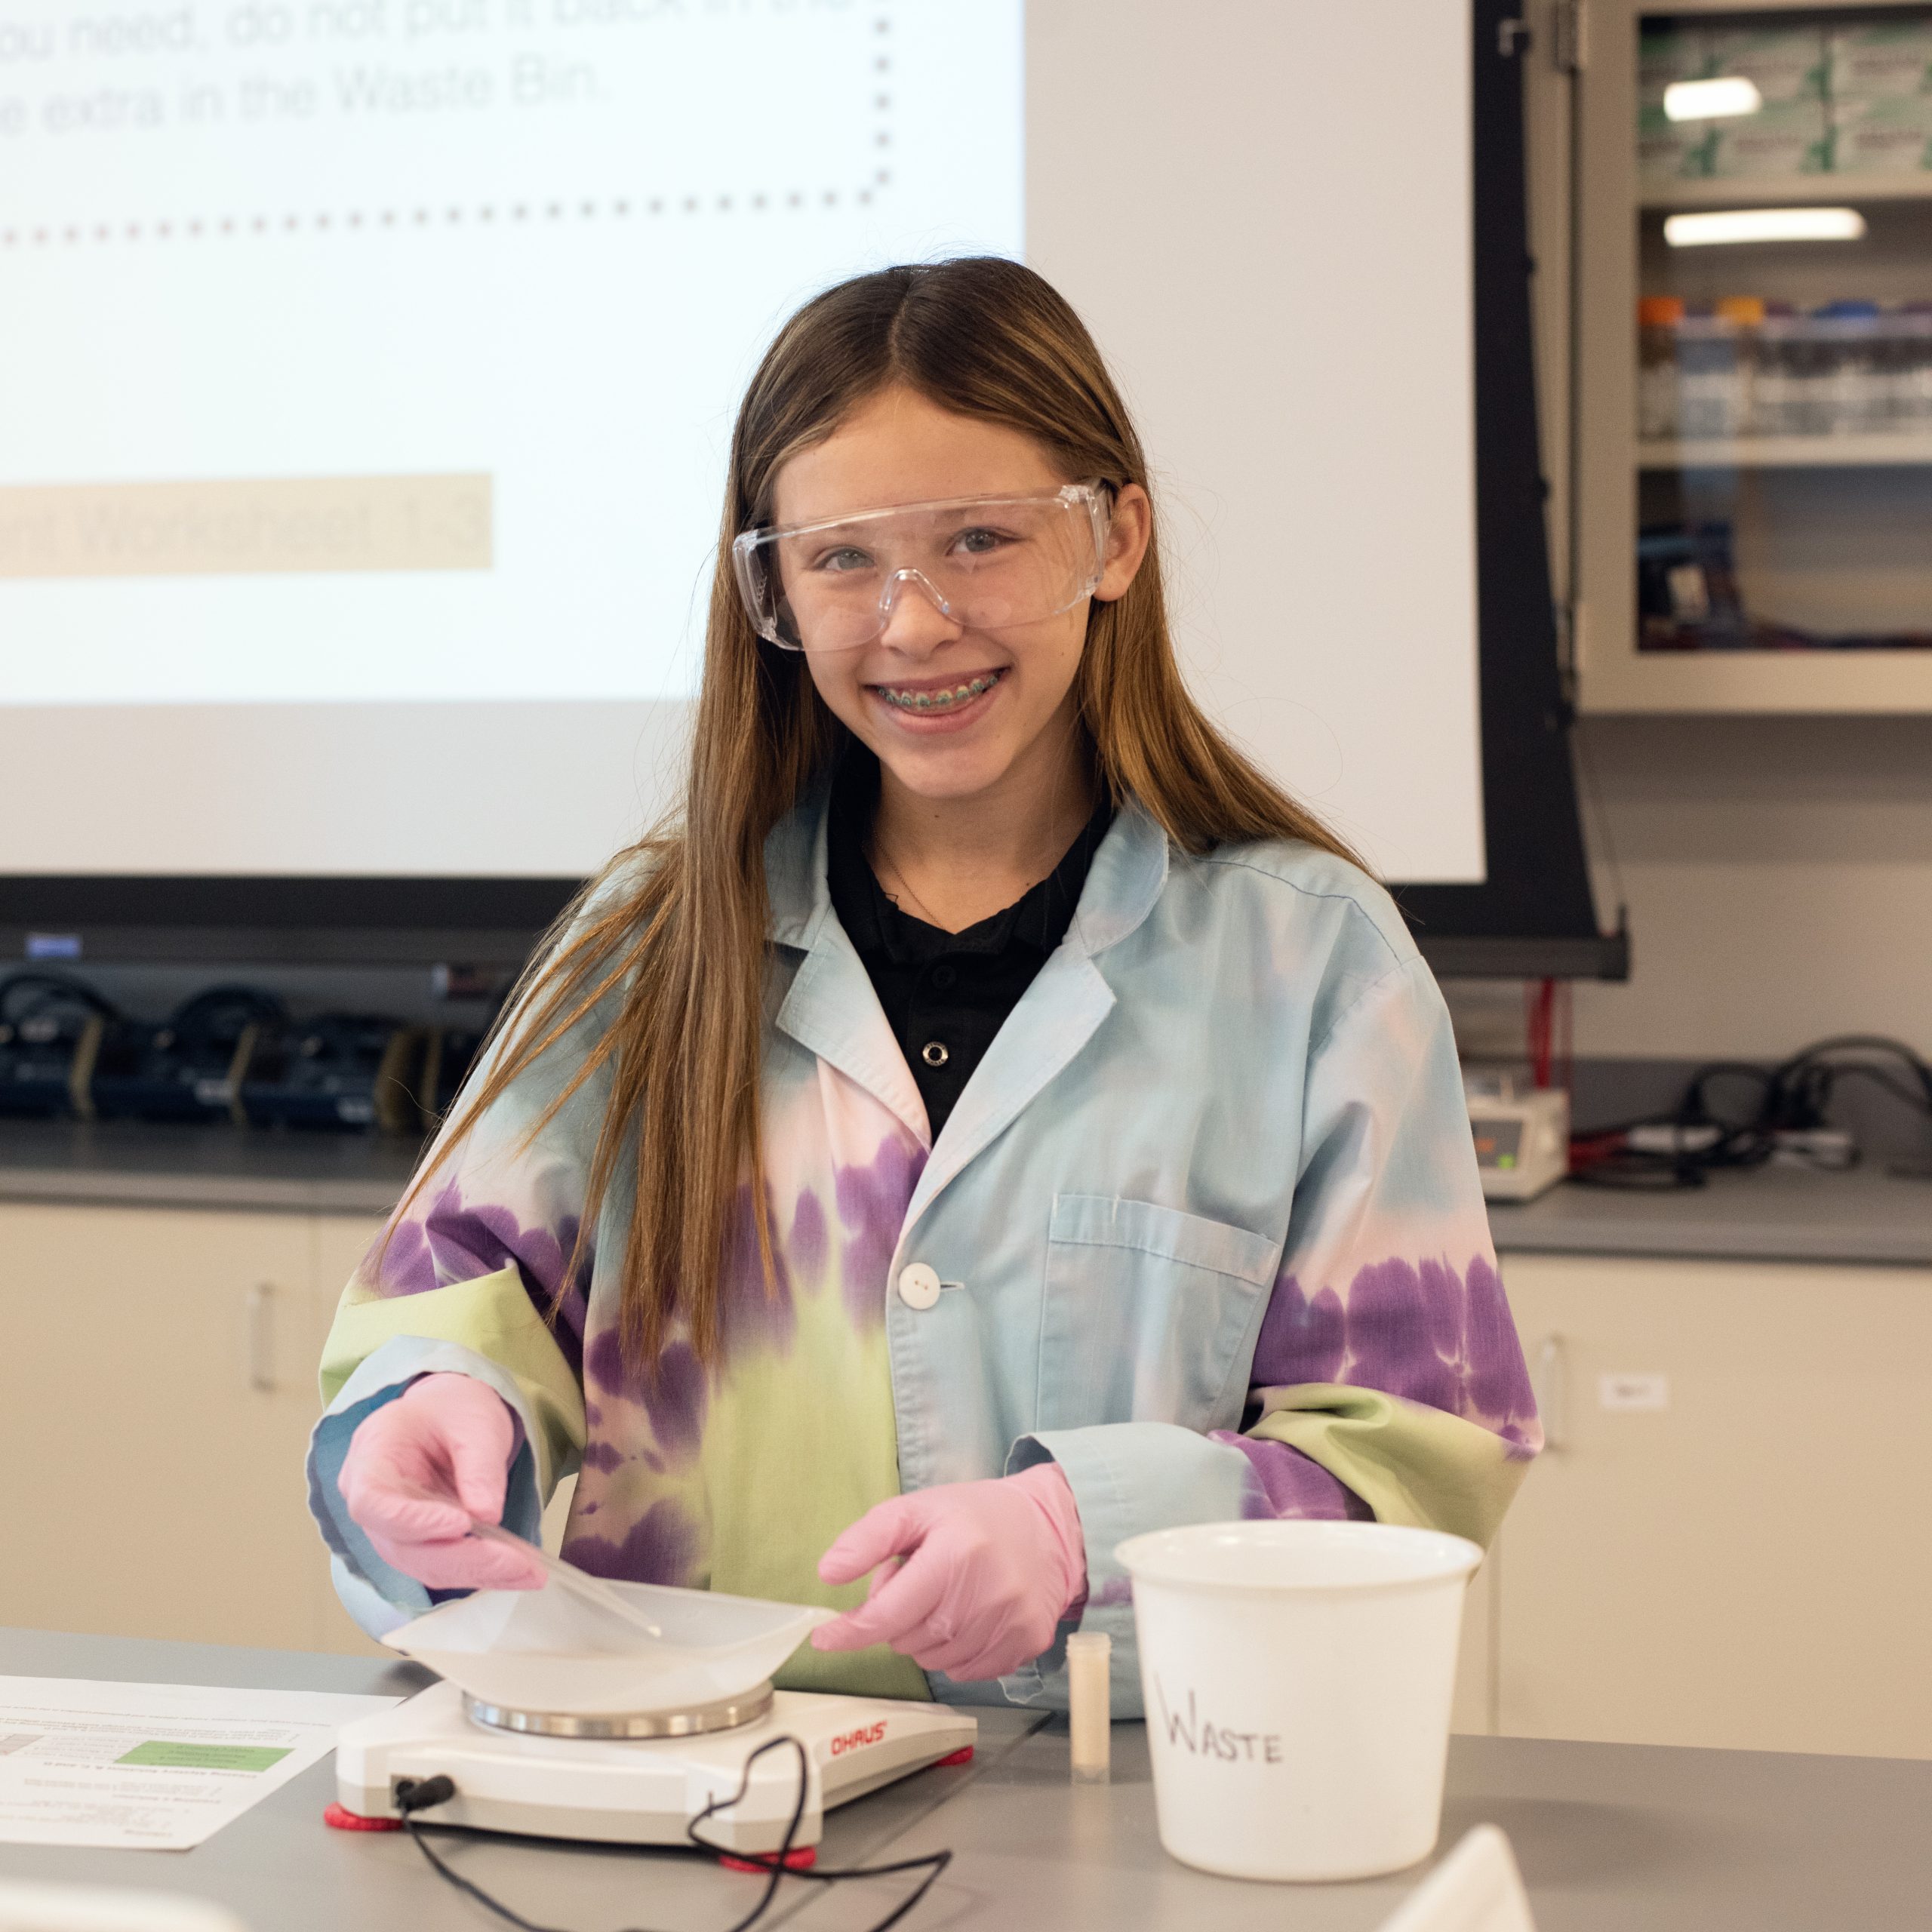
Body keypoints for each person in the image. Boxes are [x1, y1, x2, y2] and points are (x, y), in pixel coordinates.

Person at [309, 257, 1539, 1713]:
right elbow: (451, 1311)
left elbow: (1417, 1462)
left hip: (1136, 1814)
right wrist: (427, 1415)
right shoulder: (644, 949)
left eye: (978, 539)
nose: (913, 623)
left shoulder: (1308, 961)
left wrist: (1089, 1533)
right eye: (840, 560)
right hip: (700, 1796)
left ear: (1116, 538)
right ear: (769, 586)